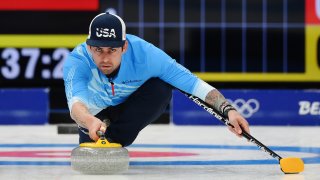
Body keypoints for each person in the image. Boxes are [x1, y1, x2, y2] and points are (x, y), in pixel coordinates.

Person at [63, 12, 250, 147]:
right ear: (89, 48)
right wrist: (88, 121)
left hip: (126, 110)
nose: (105, 58)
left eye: (112, 50)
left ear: (124, 47)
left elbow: (193, 84)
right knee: (89, 134)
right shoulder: (77, 61)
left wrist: (229, 111)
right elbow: (76, 104)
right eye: (98, 50)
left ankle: (114, 139)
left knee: (161, 88)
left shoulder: (146, 55)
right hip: (92, 117)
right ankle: (96, 130)